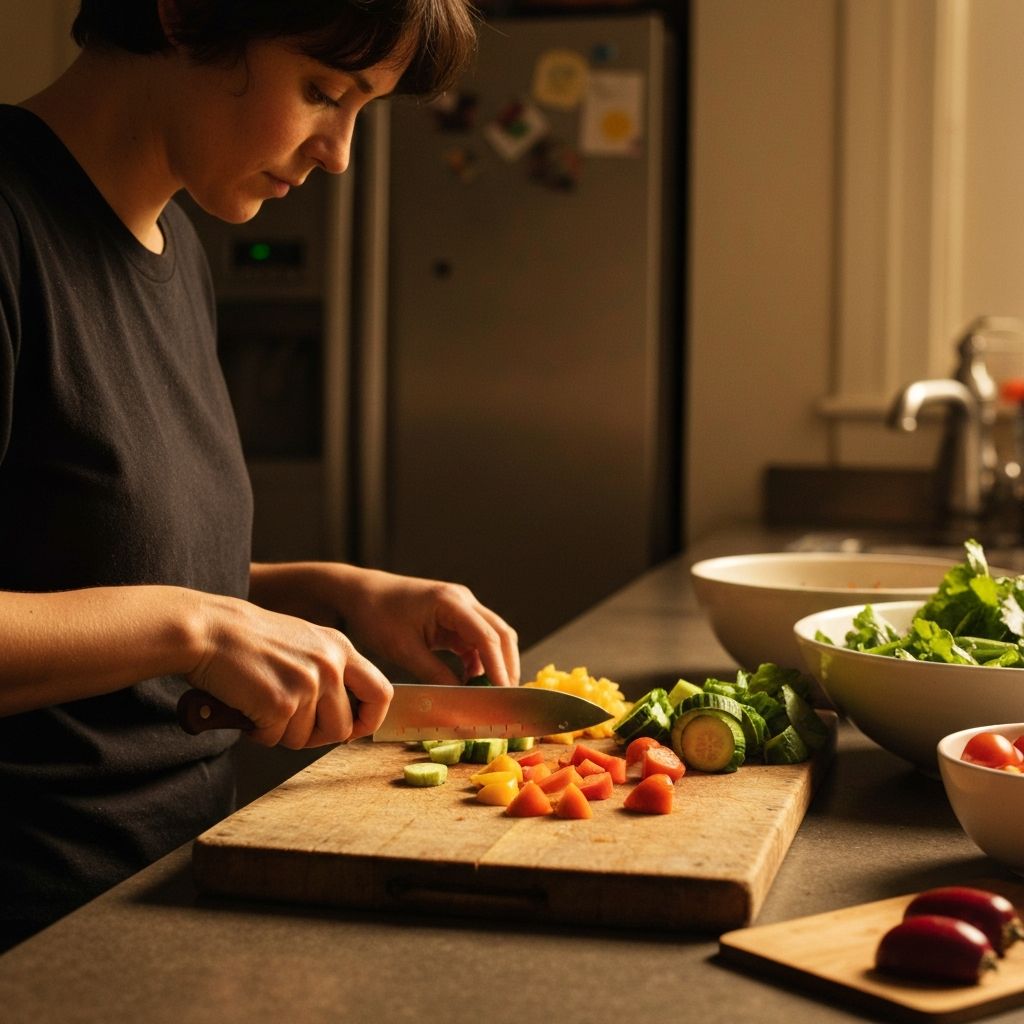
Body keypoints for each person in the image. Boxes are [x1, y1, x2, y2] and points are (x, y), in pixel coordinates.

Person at [0, 0, 519, 952]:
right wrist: (201, 626)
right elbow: (160, 620)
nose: (340, 155)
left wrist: (327, 595)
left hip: (170, 901)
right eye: (324, 92)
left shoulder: (177, 249)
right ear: (185, 16)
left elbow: (77, 562)